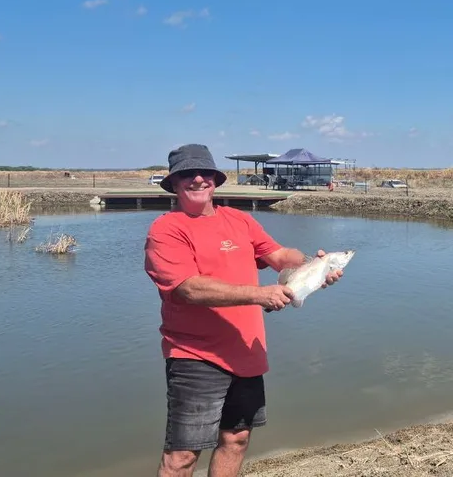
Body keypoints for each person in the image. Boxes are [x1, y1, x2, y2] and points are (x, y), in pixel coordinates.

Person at [144, 144, 343, 477]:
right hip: (195, 355)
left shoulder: (239, 220)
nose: (197, 179)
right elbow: (189, 288)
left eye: (204, 173)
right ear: (175, 183)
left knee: (236, 439)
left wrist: (317, 265)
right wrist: (259, 295)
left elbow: (279, 257)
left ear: (215, 180)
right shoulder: (166, 230)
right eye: (186, 175)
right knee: (181, 456)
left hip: (246, 351)